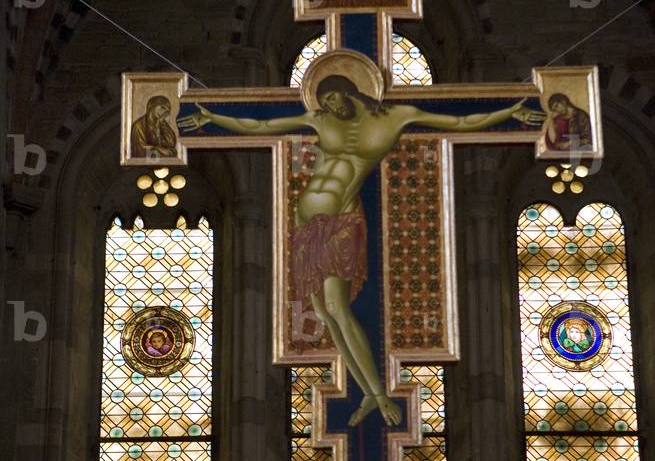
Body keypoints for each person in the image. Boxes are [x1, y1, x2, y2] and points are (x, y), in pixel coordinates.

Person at [179, 76, 543, 426]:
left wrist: (512, 113)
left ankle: (379, 393)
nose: (331, 107)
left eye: (335, 98)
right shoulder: (318, 120)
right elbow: (260, 126)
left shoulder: (396, 117)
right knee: (324, 312)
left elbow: (462, 121)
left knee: (338, 307)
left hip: (342, 223)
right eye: (324, 102)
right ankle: (368, 390)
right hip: (308, 227)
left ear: (351, 92)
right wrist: (213, 117)